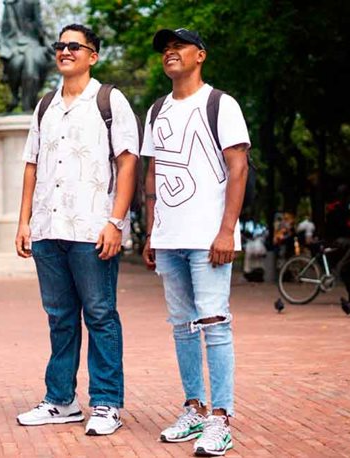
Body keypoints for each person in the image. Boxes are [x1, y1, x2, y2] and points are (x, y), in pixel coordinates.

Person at [14, 24, 139, 436]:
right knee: (60, 318)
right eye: (60, 45)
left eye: (75, 46)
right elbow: (31, 165)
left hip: (92, 228)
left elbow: (127, 162)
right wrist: (24, 221)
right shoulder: (45, 105)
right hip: (48, 228)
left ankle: (106, 403)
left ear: (93, 56)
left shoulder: (109, 100)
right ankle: (61, 400)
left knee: (100, 315)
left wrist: (115, 222)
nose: (65, 51)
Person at [141, 28, 250, 457]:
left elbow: (238, 168)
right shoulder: (156, 110)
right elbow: (153, 174)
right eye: (165, 49)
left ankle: (221, 418)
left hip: (208, 238)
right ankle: (194, 408)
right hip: (170, 237)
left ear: (200, 55)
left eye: (178, 46)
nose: (170, 52)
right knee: (183, 327)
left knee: (215, 325)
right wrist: (151, 231)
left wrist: (227, 231)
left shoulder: (220, 104)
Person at [0, 0, 53, 111]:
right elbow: (38, 24)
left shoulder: (13, 3)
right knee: (21, 62)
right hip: (19, 42)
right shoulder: (10, 3)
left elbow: (6, 27)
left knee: (32, 63)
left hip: (22, 42)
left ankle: (24, 100)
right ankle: (18, 97)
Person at [325, 186, 350, 305]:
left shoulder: (341, 207)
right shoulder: (338, 208)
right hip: (335, 240)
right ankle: (341, 265)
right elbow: (342, 225)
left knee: (348, 270)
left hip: (341, 239)